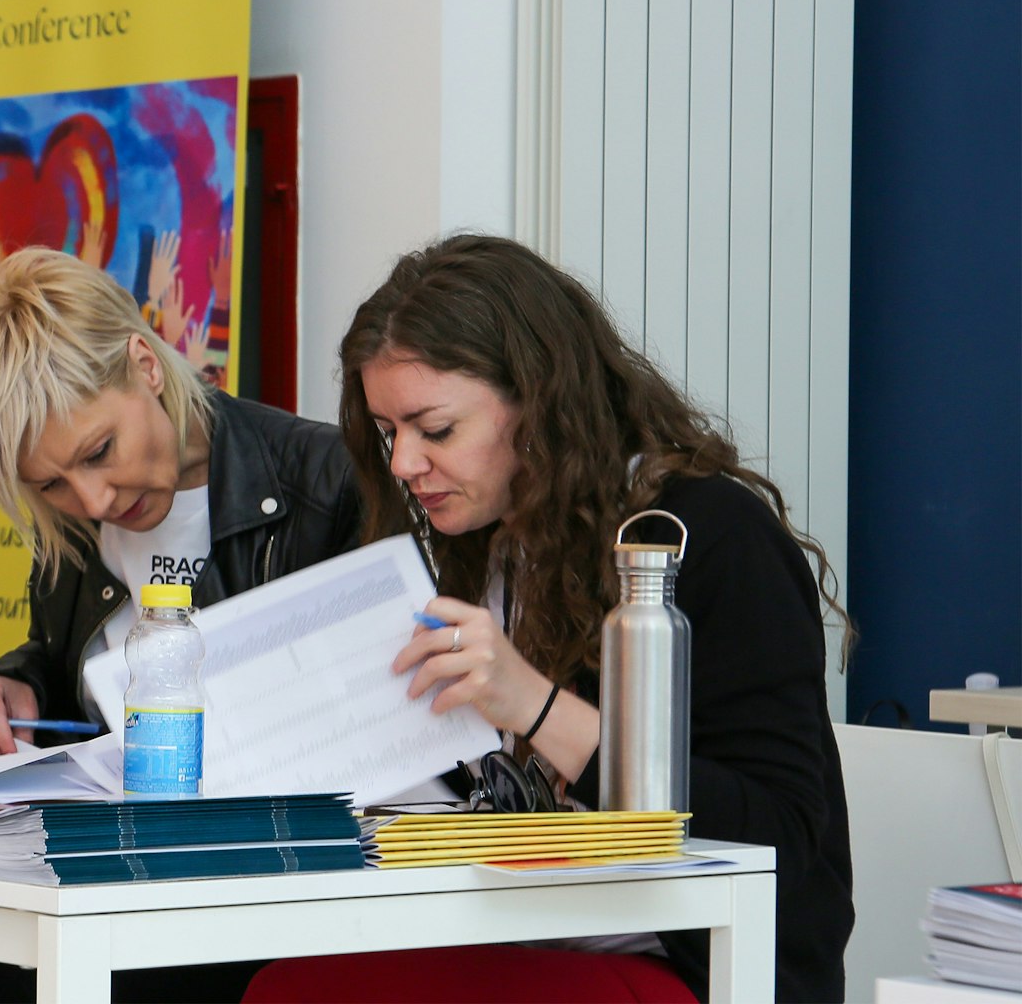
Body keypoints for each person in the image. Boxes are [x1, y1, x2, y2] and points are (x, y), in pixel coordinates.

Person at [242, 233, 853, 1003]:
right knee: (284, 983)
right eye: (389, 432)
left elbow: (781, 841)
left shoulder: (708, 536)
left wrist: (532, 705)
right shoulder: (481, 541)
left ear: (540, 402)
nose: (402, 465)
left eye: (435, 430)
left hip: (697, 965)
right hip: (523, 926)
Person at [0, 246, 363, 1004]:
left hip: (244, 893)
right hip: (100, 875)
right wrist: (21, 688)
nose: (95, 500)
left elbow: (365, 731)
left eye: (99, 451)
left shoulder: (328, 485)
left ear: (144, 363)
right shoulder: (68, 533)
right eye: (51, 483)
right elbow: (77, 670)